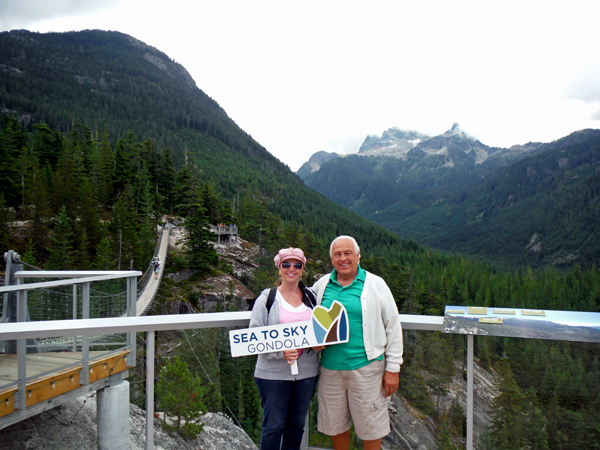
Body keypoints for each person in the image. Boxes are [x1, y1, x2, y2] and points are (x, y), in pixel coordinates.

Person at [311, 236, 403, 450]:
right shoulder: (322, 285)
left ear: (358, 256)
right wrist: (312, 341)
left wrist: (393, 369)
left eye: (347, 253)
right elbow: (310, 318)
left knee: (371, 428)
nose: (343, 258)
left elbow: (393, 326)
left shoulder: (376, 284)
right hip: (330, 370)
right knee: (336, 426)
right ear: (332, 259)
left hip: (367, 369)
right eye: (337, 254)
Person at [249, 247, 319, 450]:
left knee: (296, 426)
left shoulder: (311, 298)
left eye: (297, 265)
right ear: (279, 268)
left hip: (306, 373)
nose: (292, 268)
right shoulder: (267, 299)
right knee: (273, 426)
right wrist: (281, 351)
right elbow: (254, 337)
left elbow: (320, 331)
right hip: (272, 374)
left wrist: (318, 346)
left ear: (302, 269)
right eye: (286, 264)